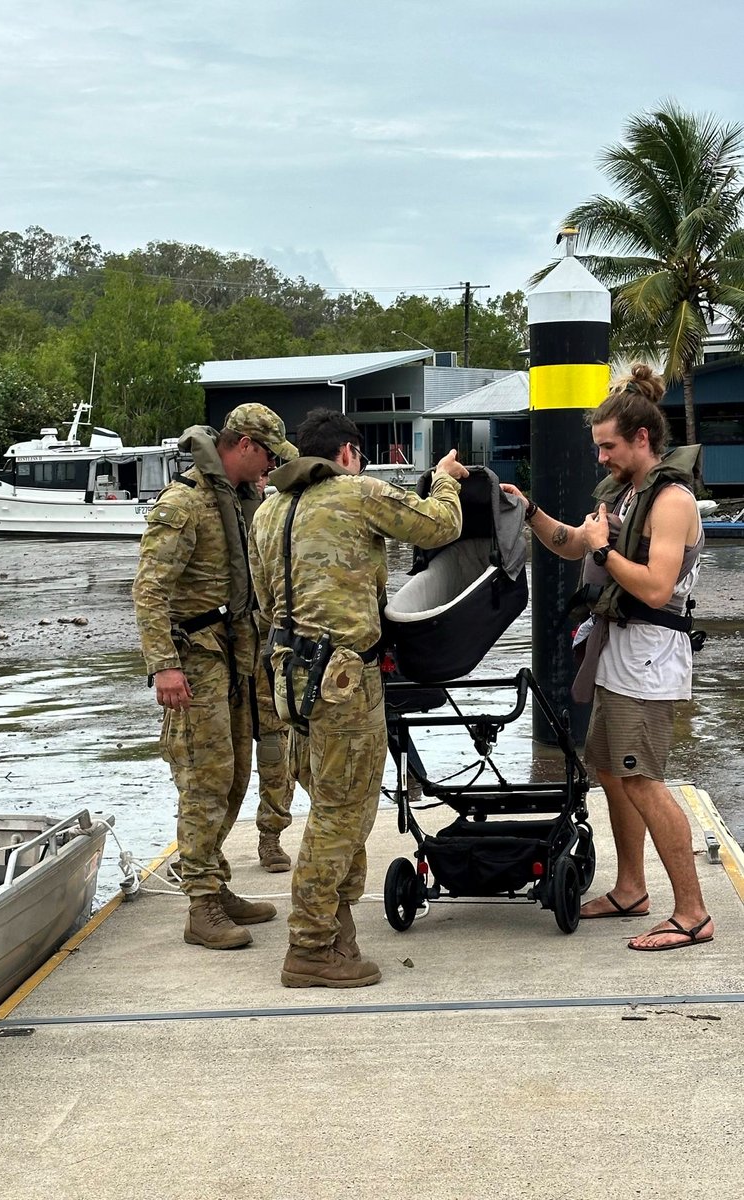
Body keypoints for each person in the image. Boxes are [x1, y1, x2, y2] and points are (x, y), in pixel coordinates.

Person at [249, 408, 467, 987]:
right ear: (346, 453)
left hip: (289, 677)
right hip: (344, 678)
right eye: (360, 456)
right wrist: (445, 478)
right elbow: (441, 526)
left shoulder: (267, 510)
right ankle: (310, 946)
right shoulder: (357, 493)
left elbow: (265, 604)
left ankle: (339, 928)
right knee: (341, 814)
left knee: (332, 805)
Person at [502, 363, 713, 952]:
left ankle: (693, 913)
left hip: (649, 657)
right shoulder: (624, 494)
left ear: (641, 439)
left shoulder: (671, 501)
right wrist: (529, 510)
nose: (600, 458)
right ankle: (630, 889)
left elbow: (656, 587)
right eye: (597, 447)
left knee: (642, 780)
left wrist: (603, 551)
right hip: (615, 651)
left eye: (608, 447)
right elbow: (575, 543)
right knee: (612, 773)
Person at [132, 402, 298, 951]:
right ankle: (200, 904)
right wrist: (164, 665)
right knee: (204, 780)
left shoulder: (242, 500)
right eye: (268, 454)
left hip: (236, 657)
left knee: (234, 776)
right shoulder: (184, 503)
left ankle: (214, 882)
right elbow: (149, 590)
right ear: (244, 444)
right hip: (195, 659)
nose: (271, 465)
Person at [253, 470, 296, 873]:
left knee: (275, 748)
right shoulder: (211, 508)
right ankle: (201, 852)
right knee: (213, 765)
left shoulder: (279, 512)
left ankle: (271, 834)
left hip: (271, 648)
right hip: (224, 653)